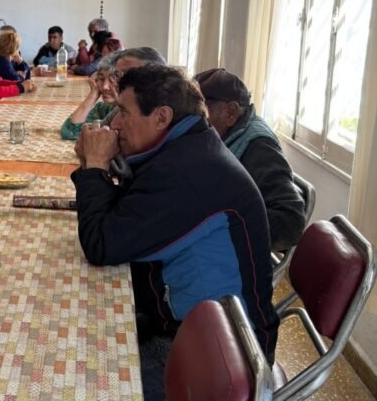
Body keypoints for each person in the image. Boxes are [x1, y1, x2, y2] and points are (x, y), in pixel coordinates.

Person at [73, 65, 278, 399]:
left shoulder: (188, 172)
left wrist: (95, 168)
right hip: (183, 324)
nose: (115, 123)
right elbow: (124, 213)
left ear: (162, 117)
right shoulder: (186, 148)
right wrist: (97, 168)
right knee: (81, 329)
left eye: (124, 112)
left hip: (218, 357)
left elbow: (102, 244)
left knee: (84, 379)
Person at [195, 68, 307, 252]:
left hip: (236, 258)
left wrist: (220, 223)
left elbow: (291, 222)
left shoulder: (259, 148)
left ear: (231, 112)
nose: (195, 121)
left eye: (201, 113)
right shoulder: (224, 133)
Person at [61, 46, 165, 140]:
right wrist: (93, 94)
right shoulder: (104, 108)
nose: (105, 87)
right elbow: (71, 132)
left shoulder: (147, 115)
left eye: (113, 79)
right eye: (101, 79)